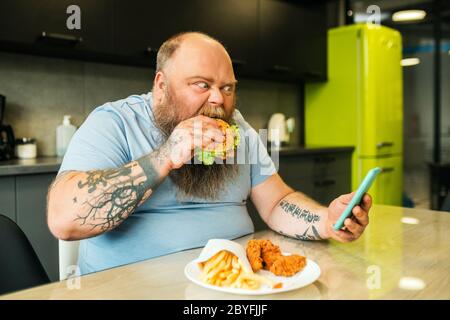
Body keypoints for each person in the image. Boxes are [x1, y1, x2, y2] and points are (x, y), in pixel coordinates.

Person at [47, 32, 372, 275]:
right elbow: (63, 221)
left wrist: (327, 222)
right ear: (161, 85)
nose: (219, 99)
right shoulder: (114, 122)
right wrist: (167, 155)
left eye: (227, 87)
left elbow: (276, 203)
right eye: (201, 84)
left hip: (237, 283)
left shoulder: (240, 129)